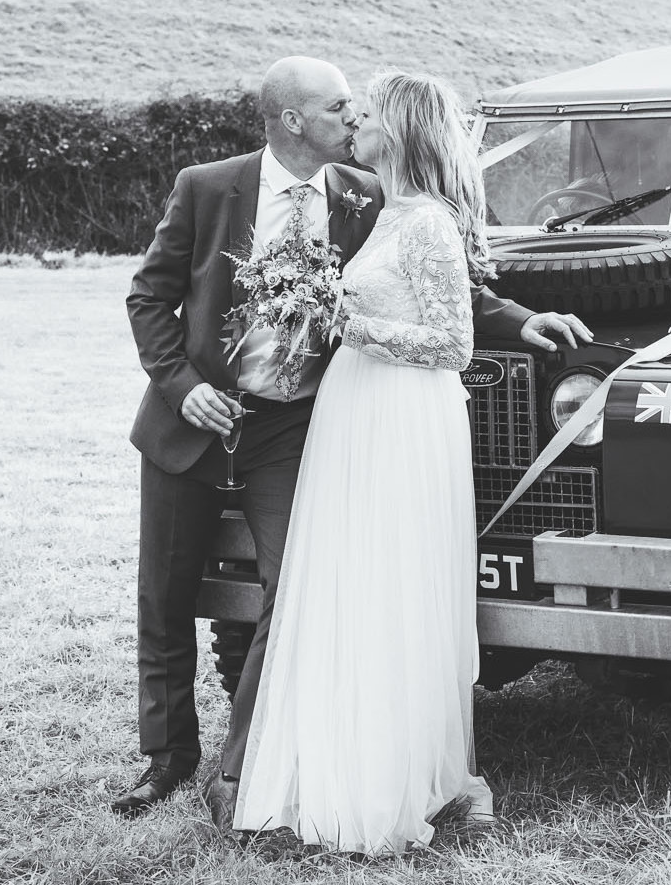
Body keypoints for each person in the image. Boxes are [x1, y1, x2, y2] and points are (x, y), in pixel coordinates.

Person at [116, 56, 591, 819]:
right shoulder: (206, 186)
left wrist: (519, 318)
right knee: (165, 597)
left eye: (359, 107)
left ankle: (246, 765)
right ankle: (167, 758)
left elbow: (444, 281)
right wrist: (186, 387)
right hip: (193, 419)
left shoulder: (367, 194)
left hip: (294, 426)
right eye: (340, 107)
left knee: (295, 587)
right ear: (293, 121)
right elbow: (149, 296)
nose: (355, 116)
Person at [229, 70, 505, 853]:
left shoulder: (426, 224)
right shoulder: (384, 213)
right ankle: (333, 760)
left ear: (404, 131)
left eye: (370, 111)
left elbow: (455, 344)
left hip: (402, 416)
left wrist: (345, 324)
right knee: (351, 582)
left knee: (393, 583)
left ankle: (394, 775)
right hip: (353, 410)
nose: (355, 119)